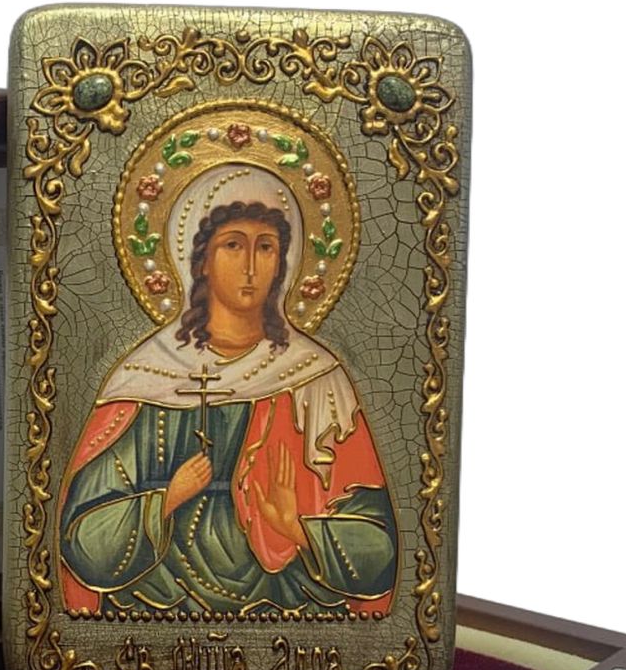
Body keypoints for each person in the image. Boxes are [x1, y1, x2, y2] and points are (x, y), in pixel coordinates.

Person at [58, 167, 397, 618]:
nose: (251, 266)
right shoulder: (144, 378)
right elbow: (82, 540)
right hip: (157, 611)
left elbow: (380, 551)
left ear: (285, 262)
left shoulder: (315, 379)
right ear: (198, 258)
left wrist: (297, 529)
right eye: (233, 245)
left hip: (287, 614)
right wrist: (167, 499)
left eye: (266, 247)